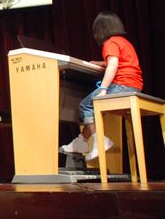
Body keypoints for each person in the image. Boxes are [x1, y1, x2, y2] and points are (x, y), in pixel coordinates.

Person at [60, 11, 143, 161]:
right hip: (134, 85)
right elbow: (120, 62)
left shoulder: (109, 43)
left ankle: (100, 141)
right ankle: (80, 142)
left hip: (122, 85)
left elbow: (113, 65)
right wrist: (100, 63)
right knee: (93, 108)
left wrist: (103, 89)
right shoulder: (123, 42)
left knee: (86, 105)